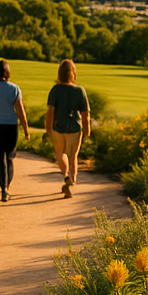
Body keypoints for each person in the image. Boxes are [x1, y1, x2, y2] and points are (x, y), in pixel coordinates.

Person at [0, 59, 29, 202]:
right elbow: (20, 111)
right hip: (11, 126)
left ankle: (3, 188)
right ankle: (7, 187)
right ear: (8, 73)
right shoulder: (14, 88)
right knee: (9, 157)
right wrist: (26, 130)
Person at [46, 58, 90, 199]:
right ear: (73, 74)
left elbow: (50, 111)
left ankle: (65, 175)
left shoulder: (55, 89)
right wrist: (87, 129)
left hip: (58, 127)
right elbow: (85, 113)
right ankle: (72, 178)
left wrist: (48, 127)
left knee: (60, 153)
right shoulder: (79, 90)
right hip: (75, 128)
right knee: (73, 155)